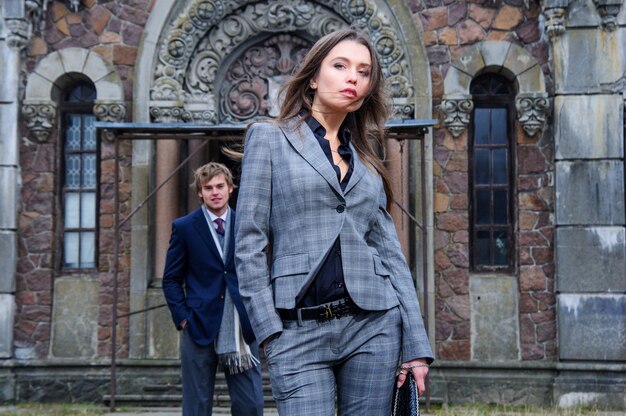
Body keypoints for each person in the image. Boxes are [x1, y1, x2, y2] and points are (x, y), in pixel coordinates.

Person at [234, 28, 434, 416]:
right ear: (312, 76)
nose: (353, 78)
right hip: (296, 331)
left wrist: (415, 345)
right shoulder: (270, 139)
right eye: (340, 66)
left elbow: (390, 254)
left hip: (373, 326)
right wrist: (269, 331)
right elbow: (248, 244)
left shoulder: (367, 158)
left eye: (363, 71)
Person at [162, 162, 264, 416]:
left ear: (230, 188)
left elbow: (261, 271)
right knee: (196, 406)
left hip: (240, 325)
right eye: (208, 188)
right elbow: (171, 279)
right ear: (200, 193)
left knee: (250, 405)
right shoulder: (184, 227)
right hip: (198, 325)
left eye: (220, 186)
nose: (214, 192)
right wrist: (183, 318)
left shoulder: (247, 224)